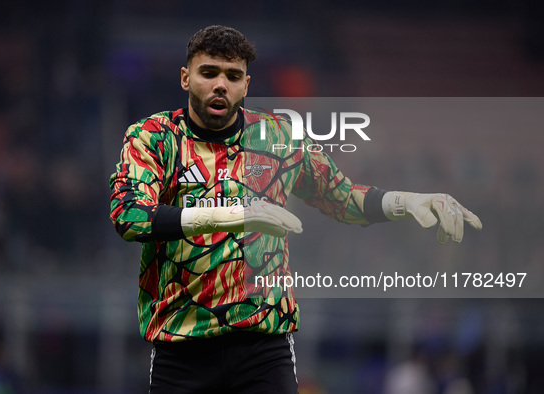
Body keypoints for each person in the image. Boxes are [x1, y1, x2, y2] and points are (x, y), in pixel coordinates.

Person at [109, 25, 482, 393]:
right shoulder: (153, 137)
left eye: (233, 76)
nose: (221, 84)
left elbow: (342, 198)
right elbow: (129, 215)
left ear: (246, 85)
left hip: (263, 344)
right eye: (209, 73)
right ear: (185, 78)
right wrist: (232, 215)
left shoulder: (279, 137)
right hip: (181, 342)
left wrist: (406, 201)